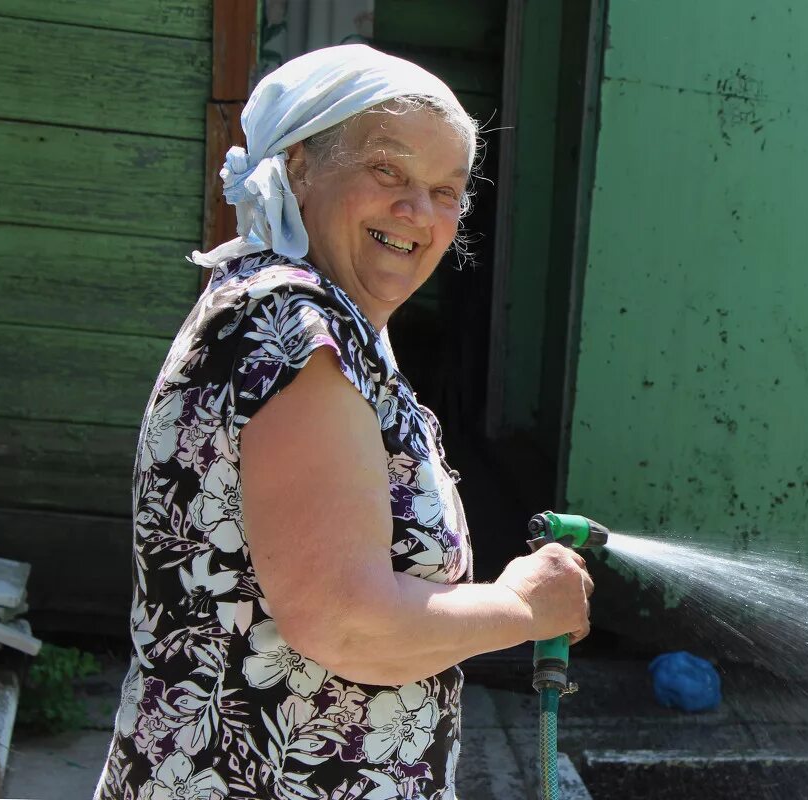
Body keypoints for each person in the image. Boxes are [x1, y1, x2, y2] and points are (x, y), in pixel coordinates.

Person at [94, 45, 593, 800]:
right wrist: (524, 605)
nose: (418, 212)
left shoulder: (286, 316)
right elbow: (345, 622)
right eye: (387, 171)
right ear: (299, 167)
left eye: (447, 190)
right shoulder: (296, 326)